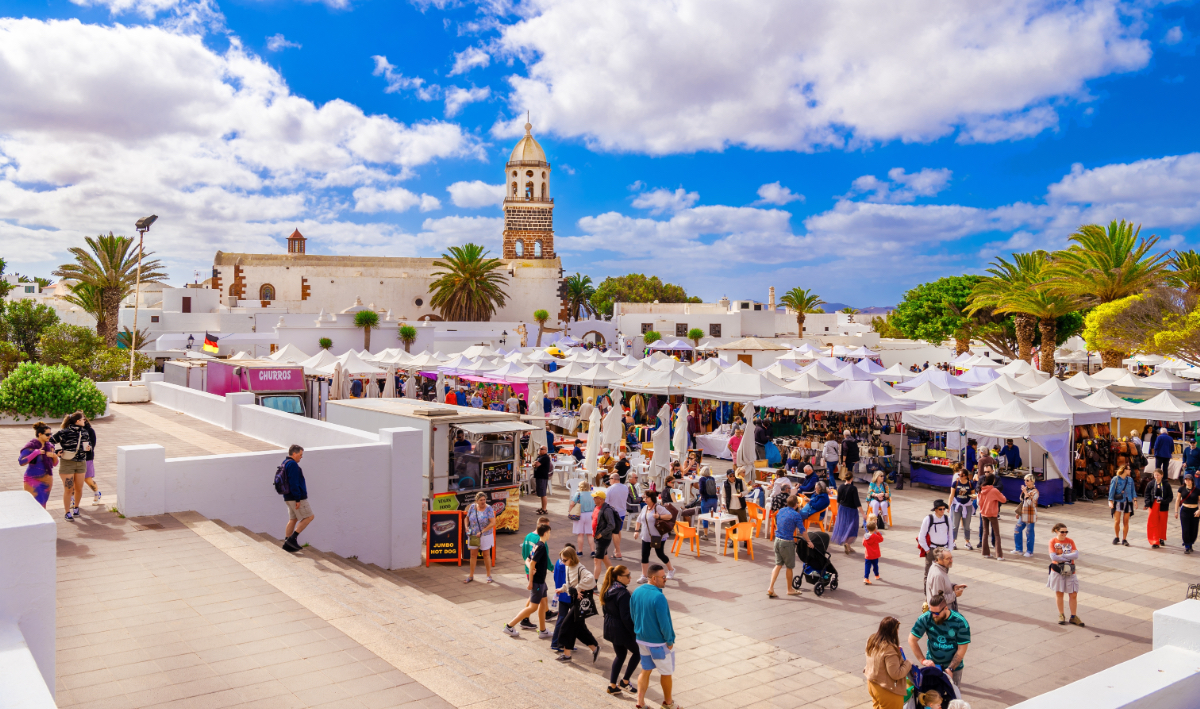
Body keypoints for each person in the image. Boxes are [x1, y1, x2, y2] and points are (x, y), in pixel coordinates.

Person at [631, 563, 677, 709]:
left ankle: (640, 703)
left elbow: (633, 615)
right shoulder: (659, 597)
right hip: (658, 643)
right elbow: (664, 623)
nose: (665, 579)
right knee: (666, 672)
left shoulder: (636, 592)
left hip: (641, 640)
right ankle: (668, 703)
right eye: (663, 577)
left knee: (645, 670)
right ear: (653, 578)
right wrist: (669, 640)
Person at [908, 592, 970, 687]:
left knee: (953, 697)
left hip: (954, 668)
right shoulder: (926, 618)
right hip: (933, 666)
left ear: (945, 608)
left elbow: (962, 648)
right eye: (931, 611)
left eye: (936, 613)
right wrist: (923, 660)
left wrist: (951, 668)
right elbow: (912, 639)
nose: (933, 615)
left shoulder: (960, 622)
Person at [504, 522, 553, 639]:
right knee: (533, 607)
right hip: (537, 582)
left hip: (541, 581)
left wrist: (532, 567)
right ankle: (509, 626)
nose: (550, 535)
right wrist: (531, 581)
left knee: (543, 603)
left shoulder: (537, 544)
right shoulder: (541, 547)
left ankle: (543, 630)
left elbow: (527, 560)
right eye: (550, 532)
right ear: (546, 533)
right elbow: (531, 563)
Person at [555, 546, 599, 663]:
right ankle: (594, 648)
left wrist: (578, 588)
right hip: (574, 600)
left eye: (565, 560)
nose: (563, 562)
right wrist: (562, 589)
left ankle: (567, 655)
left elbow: (591, 580)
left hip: (580, 601)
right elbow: (570, 583)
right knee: (578, 628)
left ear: (572, 558)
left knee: (566, 626)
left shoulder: (580, 568)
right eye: (561, 560)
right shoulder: (568, 567)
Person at [601, 565, 640, 695]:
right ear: (618, 577)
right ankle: (625, 681)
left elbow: (605, 610)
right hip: (621, 629)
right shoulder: (623, 594)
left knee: (620, 655)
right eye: (627, 575)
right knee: (638, 652)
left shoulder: (608, 589)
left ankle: (612, 685)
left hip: (610, 627)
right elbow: (626, 618)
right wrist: (635, 633)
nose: (630, 577)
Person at [863, 616, 913, 709]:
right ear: (894, 631)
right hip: (886, 690)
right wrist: (908, 663)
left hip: (872, 685)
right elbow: (896, 674)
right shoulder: (889, 649)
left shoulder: (872, 639)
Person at [51, 412, 90, 520]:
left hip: (81, 462)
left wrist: (88, 448)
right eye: (83, 419)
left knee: (79, 488)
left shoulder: (85, 432)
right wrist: (56, 451)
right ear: (77, 421)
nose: (85, 421)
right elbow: (50, 442)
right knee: (68, 488)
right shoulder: (64, 432)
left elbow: (87, 444)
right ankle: (67, 512)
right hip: (67, 463)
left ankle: (76, 508)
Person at [634, 490, 676, 583]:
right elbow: (638, 520)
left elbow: (669, 516)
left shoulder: (658, 507)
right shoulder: (644, 508)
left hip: (658, 536)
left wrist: (659, 517)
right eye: (644, 497)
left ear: (652, 498)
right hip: (646, 536)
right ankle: (644, 576)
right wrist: (636, 531)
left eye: (646, 497)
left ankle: (671, 570)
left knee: (660, 554)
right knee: (644, 555)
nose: (644, 499)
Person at [1048, 522, 1085, 626]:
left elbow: (1076, 555)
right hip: (1058, 570)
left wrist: (1062, 556)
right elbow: (1053, 557)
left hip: (1070, 570)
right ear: (1056, 531)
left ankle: (1073, 616)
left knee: (1073, 594)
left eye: (1066, 532)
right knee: (1059, 593)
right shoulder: (1052, 541)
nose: (1065, 534)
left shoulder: (1070, 541)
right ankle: (1061, 614)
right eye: (1062, 532)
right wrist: (1068, 555)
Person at [768, 495, 804, 598]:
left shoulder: (781, 510)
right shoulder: (796, 515)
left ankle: (771, 587)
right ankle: (789, 589)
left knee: (778, 565)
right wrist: (809, 541)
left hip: (777, 540)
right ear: (796, 504)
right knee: (789, 567)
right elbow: (802, 530)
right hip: (787, 542)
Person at [19, 422, 57, 508]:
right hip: (32, 480)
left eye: (50, 434)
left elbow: (54, 464)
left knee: (43, 505)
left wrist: (54, 456)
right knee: (33, 506)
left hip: (47, 480)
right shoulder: (31, 446)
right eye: (47, 434)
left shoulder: (50, 446)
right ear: (40, 434)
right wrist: (36, 453)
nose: (49, 436)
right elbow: (21, 462)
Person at [464, 492, 496, 584]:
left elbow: (492, 523)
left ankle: (488, 575)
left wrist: (482, 531)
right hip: (473, 534)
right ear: (476, 501)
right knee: (473, 555)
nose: (483, 502)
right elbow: (466, 518)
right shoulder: (472, 507)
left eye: (484, 500)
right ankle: (471, 575)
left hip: (485, 535)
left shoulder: (488, 508)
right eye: (481, 500)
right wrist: (466, 527)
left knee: (486, 555)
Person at [918, 500, 953, 580]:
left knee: (944, 573)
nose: (942, 511)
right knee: (928, 573)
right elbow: (921, 535)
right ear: (935, 510)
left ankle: (942, 591)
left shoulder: (948, 519)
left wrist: (949, 549)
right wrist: (927, 549)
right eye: (940, 509)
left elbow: (951, 536)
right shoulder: (928, 519)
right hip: (932, 549)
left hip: (944, 549)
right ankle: (927, 591)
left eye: (944, 509)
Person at [977, 474, 1007, 560]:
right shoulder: (994, 490)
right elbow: (1004, 499)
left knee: (985, 532)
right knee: (997, 534)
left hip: (983, 513)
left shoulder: (980, 489)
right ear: (993, 481)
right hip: (992, 514)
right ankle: (999, 555)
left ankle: (985, 552)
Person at [831, 468, 860, 554]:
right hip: (852, 510)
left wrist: (837, 511)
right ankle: (847, 543)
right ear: (852, 478)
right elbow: (857, 502)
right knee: (853, 528)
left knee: (845, 527)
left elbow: (838, 501)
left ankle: (848, 545)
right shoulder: (853, 488)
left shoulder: (840, 487)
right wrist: (863, 513)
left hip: (842, 509)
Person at [593, 489, 621, 576]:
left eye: (595, 498)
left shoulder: (607, 510)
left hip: (603, 539)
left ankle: (594, 584)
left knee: (597, 560)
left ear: (601, 499)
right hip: (598, 538)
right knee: (605, 558)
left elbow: (611, 525)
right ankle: (613, 577)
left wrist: (601, 534)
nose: (593, 499)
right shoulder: (596, 507)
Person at [1145, 467, 1173, 548]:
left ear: (1162, 475)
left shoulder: (1166, 485)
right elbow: (1146, 494)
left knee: (1162, 523)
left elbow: (1170, 497)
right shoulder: (1150, 483)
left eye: (1158, 475)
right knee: (1153, 523)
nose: (1156, 477)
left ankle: (1161, 538)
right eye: (1155, 475)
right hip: (1153, 505)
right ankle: (1154, 540)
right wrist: (1147, 503)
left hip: (1163, 506)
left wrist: (1163, 501)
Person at [949, 467, 976, 551]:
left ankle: (967, 542)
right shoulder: (955, 483)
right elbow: (952, 495)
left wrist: (974, 497)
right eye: (959, 475)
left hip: (967, 506)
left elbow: (973, 494)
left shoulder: (970, 484)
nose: (959, 476)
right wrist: (949, 506)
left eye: (961, 475)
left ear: (966, 476)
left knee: (967, 525)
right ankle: (952, 542)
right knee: (955, 525)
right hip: (956, 506)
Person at [1109, 465, 1136, 546]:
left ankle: (1124, 539)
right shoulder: (1116, 479)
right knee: (1117, 521)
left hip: (1128, 502)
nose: (1130, 470)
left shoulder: (1130, 480)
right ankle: (1117, 537)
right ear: (1124, 470)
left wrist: (1135, 501)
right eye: (1129, 469)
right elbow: (1112, 491)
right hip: (1118, 502)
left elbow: (1133, 491)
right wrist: (1110, 501)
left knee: (1126, 521)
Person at [1013, 474, 1039, 558]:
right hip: (1023, 513)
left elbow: (1030, 503)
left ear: (1032, 481)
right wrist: (1018, 512)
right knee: (1017, 529)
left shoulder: (1035, 492)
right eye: (1025, 480)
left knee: (1029, 532)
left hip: (1030, 514)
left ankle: (1029, 551)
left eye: (1027, 480)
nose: (1025, 482)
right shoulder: (1026, 489)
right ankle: (1018, 549)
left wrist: (1025, 492)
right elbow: (1022, 502)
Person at [606, 473, 630, 560]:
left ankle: (618, 552)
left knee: (614, 533)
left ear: (613, 479)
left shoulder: (610, 489)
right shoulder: (625, 487)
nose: (609, 481)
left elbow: (606, 503)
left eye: (610, 479)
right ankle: (617, 550)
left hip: (613, 513)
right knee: (618, 531)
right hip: (622, 512)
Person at [570, 480, 596, 556]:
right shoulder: (592, 494)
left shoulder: (577, 494)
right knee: (590, 534)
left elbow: (572, 504)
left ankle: (580, 551)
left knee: (580, 534)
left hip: (579, 515)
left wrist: (570, 511)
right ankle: (592, 551)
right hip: (590, 515)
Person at [80, 415, 100, 504]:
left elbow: (92, 444)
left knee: (87, 478)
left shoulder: (90, 430)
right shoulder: (71, 430)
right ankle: (73, 499)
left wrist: (88, 448)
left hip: (87, 457)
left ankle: (97, 493)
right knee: (73, 479)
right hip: (74, 458)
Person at [1177, 474, 1200, 554]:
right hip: (1185, 510)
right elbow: (1177, 500)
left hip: (1195, 511)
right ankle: (1187, 545)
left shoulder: (1197, 490)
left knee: (1193, 529)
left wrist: (1199, 510)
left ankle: (1191, 543)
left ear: (1192, 481)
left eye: (1189, 480)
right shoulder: (1181, 489)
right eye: (1186, 480)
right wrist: (1176, 511)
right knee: (1185, 529)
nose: (1187, 481)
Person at [697, 467, 720, 539]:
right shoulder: (712, 478)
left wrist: (701, 496)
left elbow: (701, 490)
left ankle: (705, 535)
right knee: (714, 516)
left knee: (705, 517)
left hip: (706, 500)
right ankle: (718, 532)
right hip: (714, 499)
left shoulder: (702, 479)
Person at [862, 519, 883, 584]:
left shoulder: (865, 536)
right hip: (875, 555)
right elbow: (881, 539)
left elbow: (863, 544)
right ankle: (876, 575)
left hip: (868, 555)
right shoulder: (875, 536)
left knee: (867, 567)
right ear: (874, 529)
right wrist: (878, 532)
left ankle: (866, 578)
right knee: (875, 565)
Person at [533, 445, 552, 515]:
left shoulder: (545, 457)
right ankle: (542, 507)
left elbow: (536, 464)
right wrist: (534, 464)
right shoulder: (539, 457)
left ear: (545, 450)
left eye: (541, 449)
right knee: (541, 493)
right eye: (539, 449)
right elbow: (533, 463)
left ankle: (544, 509)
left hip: (542, 477)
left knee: (543, 493)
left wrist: (535, 464)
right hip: (539, 476)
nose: (539, 450)